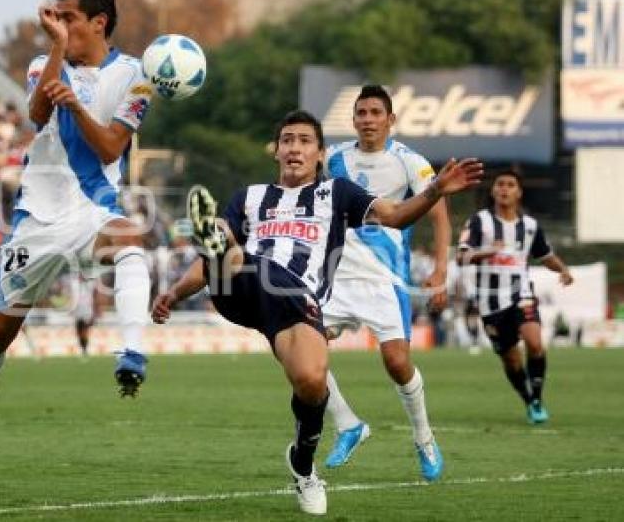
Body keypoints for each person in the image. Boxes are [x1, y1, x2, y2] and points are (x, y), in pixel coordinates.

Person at [151, 110, 481, 515]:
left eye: (305, 141)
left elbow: (394, 216)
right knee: (235, 254)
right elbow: (207, 267)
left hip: (298, 303)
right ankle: (220, 240)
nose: (294, 147)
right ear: (277, 152)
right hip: (244, 286)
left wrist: (435, 193)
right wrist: (176, 291)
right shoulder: (249, 197)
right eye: (287, 140)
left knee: (311, 383)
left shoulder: (338, 193)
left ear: (320, 154)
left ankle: (303, 467)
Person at [0, 0, 155, 466]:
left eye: (68, 18)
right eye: (55, 17)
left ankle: (132, 352)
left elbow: (110, 146)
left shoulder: (136, 76)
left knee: (131, 240)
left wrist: (79, 107)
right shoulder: (45, 63)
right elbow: (38, 115)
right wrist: (60, 52)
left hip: (93, 208)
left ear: (98, 21)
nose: (58, 24)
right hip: (36, 219)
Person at [320, 85, 449, 480]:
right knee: (300, 351)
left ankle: (424, 438)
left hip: (385, 275)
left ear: (390, 120)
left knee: (396, 363)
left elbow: (439, 213)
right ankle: (347, 424)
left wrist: (441, 269)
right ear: (354, 119)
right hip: (337, 273)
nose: (368, 120)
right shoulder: (335, 158)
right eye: (362, 113)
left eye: (376, 113)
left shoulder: (409, 161)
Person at [457, 170, 573, 424]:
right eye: (500, 184)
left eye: (510, 185)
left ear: (519, 192)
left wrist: (563, 269)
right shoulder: (478, 222)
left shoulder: (530, 226)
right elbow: (461, 256)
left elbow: (545, 255)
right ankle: (527, 398)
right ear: (493, 191)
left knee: (534, 342)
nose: (504, 189)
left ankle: (537, 399)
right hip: (490, 301)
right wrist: (486, 252)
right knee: (511, 358)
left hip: (522, 293)